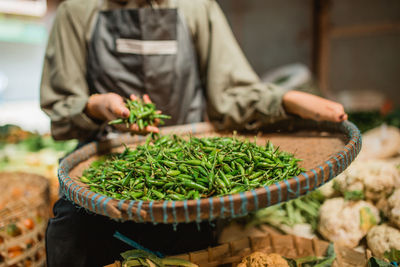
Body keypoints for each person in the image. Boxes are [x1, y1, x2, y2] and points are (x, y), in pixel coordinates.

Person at [40, 0, 347, 266]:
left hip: (189, 162)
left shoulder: (196, 6)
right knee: (72, 232)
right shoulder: (77, 10)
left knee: (189, 249)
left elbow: (231, 94)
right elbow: (60, 105)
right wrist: (95, 106)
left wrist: (284, 100)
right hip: (103, 160)